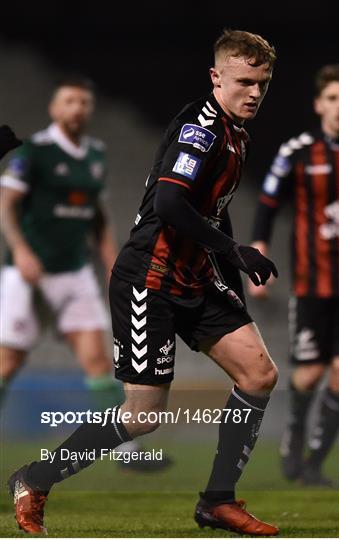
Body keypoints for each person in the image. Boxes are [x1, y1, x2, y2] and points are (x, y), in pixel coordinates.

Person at [8, 30, 280, 536]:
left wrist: (236, 270)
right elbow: (170, 205)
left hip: (195, 277)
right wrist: (233, 252)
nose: (255, 93)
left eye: (262, 83)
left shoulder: (237, 133)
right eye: (245, 81)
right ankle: (34, 480)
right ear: (216, 78)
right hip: (148, 281)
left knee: (259, 374)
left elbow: (212, 212)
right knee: (144, 414)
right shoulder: (199, 130)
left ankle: (217, 501)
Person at [0, 78, 172, 473]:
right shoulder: (35, 153)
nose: (77, 107)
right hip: (27, 272)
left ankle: (126, 451)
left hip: (74, 271)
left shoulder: (95, 154)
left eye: (83, 101)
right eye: (69, 101)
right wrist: (22, 251)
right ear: (55, 108)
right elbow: (7, 205)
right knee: (7, 363)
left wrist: (113, 257)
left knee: (98, 358)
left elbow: (98, 214)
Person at [249, 64, 339, 486]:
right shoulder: (297, 151)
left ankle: (314, 463)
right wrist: (260, 249)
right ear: (319, 105)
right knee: (311, 372)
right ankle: (294, 437)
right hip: (313, 281)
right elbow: (267, 204)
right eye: (332, 98)